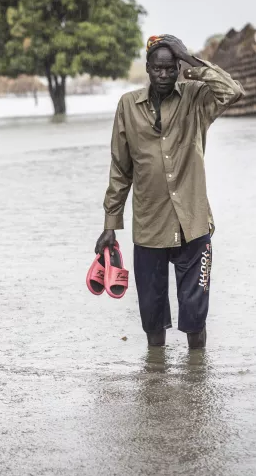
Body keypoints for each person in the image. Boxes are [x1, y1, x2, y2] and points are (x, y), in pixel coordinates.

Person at [95, 35, 244, 349]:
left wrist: (192, 60)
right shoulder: (128, 106)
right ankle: (155, 384)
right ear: (147, 69)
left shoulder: (195, 99)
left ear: (178, 68)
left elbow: (232, 91)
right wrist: (110, 225)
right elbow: (120, 170)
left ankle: (196, 382)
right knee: (152, 321)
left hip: (193, 226)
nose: (163, 75)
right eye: (157, 69)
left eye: (170, 68)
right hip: (150, 228)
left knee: (195, 319)